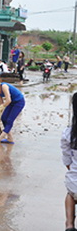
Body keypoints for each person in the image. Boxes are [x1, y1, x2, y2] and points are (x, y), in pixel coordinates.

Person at [0, 75, 25, 145]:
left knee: (9, 120)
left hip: (19, 102)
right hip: (11, 103)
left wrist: (1, 107)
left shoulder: (4, 86)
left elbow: (8, 100)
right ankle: (10, 138)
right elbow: (1, 102)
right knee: (3, 118)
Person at [61, 93, 77, 231]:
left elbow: (67, 161)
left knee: (70, 194)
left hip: (75, 184)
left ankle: (69, 224)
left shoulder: (69, 133)